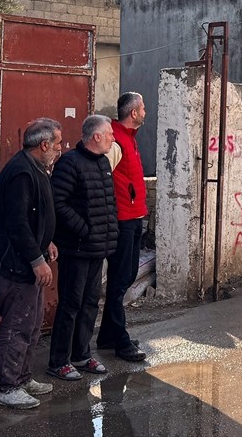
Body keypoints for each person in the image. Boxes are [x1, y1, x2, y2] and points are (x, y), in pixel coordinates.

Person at [0, 118, 63, 409]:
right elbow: (17, 224)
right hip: (13, 266)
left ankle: (23, 378)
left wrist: (46, 241)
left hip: (26, 264)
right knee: (18, 326)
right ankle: (8, 386)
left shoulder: (36, 168)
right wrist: (37, 259)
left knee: (32, 324)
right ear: (44, 144)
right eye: (58, 144)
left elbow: (34, 216)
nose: (61, 149)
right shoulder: (21, 173)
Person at [47, 115, 119, 381]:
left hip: (97, 248)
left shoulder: (102, 163)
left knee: (90, 303)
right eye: (109, 133)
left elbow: (105, 204)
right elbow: (58, 202)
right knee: (70, 304)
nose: (113, 138)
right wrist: (84, 229)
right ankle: (58, 361)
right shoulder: (69, 163)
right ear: (96, 137)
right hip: (76, 248)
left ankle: (81, 354)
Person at [95, 92, 149, 363]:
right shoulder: (116, 141)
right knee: (118, 281)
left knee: (126, 276)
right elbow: (99, 175)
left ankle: (108, 336)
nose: (145, 112)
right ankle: (120, 341)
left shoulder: (130, 138)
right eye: (142, 108)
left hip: (134, 216)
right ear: (133, 113)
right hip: (122, 219)